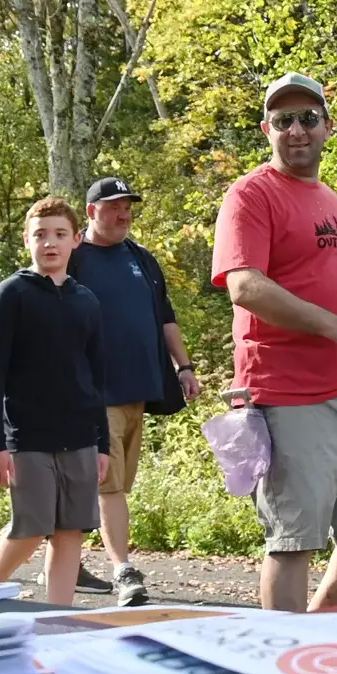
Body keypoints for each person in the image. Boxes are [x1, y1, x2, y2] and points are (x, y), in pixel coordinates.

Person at [213, 72, 337, 611]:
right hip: (285, 390)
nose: (296, 130)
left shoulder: (329, 197)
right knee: (294, 538)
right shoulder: (251, 194)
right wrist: (334, 326)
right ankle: (283, 663)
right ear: (267, 130)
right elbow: (244, 285)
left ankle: (319, 625)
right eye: (283, 121)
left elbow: (321, 281)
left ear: (328, 127)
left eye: (307, 118)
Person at [66, 175, 202, 607]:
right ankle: (124, 571)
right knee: (111, 487)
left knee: (106, 485)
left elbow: (165, 317)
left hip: (138, 391)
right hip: (93, 394)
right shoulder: (73, 257)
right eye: (114, 207)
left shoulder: (141, 259)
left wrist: (185, 366)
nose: (124, 214)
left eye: (128, 206)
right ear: (91, 212)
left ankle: (58, 554)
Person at [0, 197, 111, 607]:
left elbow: (97, 378)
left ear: (76, 240)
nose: (49, 243)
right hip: (27, 436)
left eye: (58, 235)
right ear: (27, 241)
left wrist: (102, 444)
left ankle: (58, 615)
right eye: (40, 235)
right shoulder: (11, 294)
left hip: (79, 436)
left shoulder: (86, 300)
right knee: (32, 527)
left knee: (71, 530)